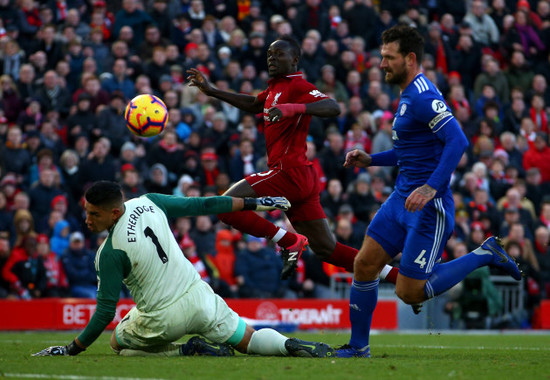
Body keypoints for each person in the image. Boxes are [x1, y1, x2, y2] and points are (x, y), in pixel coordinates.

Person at [335, 25, 522, 358]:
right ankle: (358, 347)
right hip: (400, 200)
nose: (381, 65)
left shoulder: (423, 96)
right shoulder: (408, 95)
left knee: (410, 293)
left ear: (409, 58)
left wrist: (431, 187)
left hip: (428, 208)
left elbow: (458, 140)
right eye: (381, 57)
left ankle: (486, 254)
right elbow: (410, 151)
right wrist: (371, 160)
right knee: (364, 265)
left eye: (388, 58)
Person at [33, 181, 334, 358]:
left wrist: (72, 348)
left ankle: (186, 350)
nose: (87, 220)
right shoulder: (149, 201)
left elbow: (103, 313)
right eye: (86, 212)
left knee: (116, 343)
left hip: (163, 318)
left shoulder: (109, 253)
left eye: (93, 214)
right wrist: (254, 202)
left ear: (114, 212)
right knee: (249, 339)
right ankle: (289, 345)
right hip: (199, 295)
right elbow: (202, 206)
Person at [187, 35, 398, 282]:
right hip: (300, 178)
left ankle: (289, 241)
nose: (272, 59)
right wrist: (212, 91)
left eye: (279, 55)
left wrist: (293, 108)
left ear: (295, 59)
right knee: (327, 249)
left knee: (224, 206)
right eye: (269, 55)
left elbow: (333, 107)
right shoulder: (275, 87)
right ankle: (398, 278)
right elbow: (255, 103)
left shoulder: (298, 86)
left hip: (288, 172)